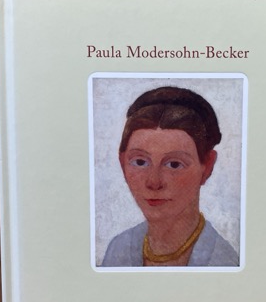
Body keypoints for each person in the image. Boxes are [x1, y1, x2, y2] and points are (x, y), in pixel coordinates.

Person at [101, 86, 239, 267]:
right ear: (122, 163)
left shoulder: (224, 262)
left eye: (174, 164)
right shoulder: (117, 249)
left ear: (207, 167)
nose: (154, 182)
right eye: (140, 162)